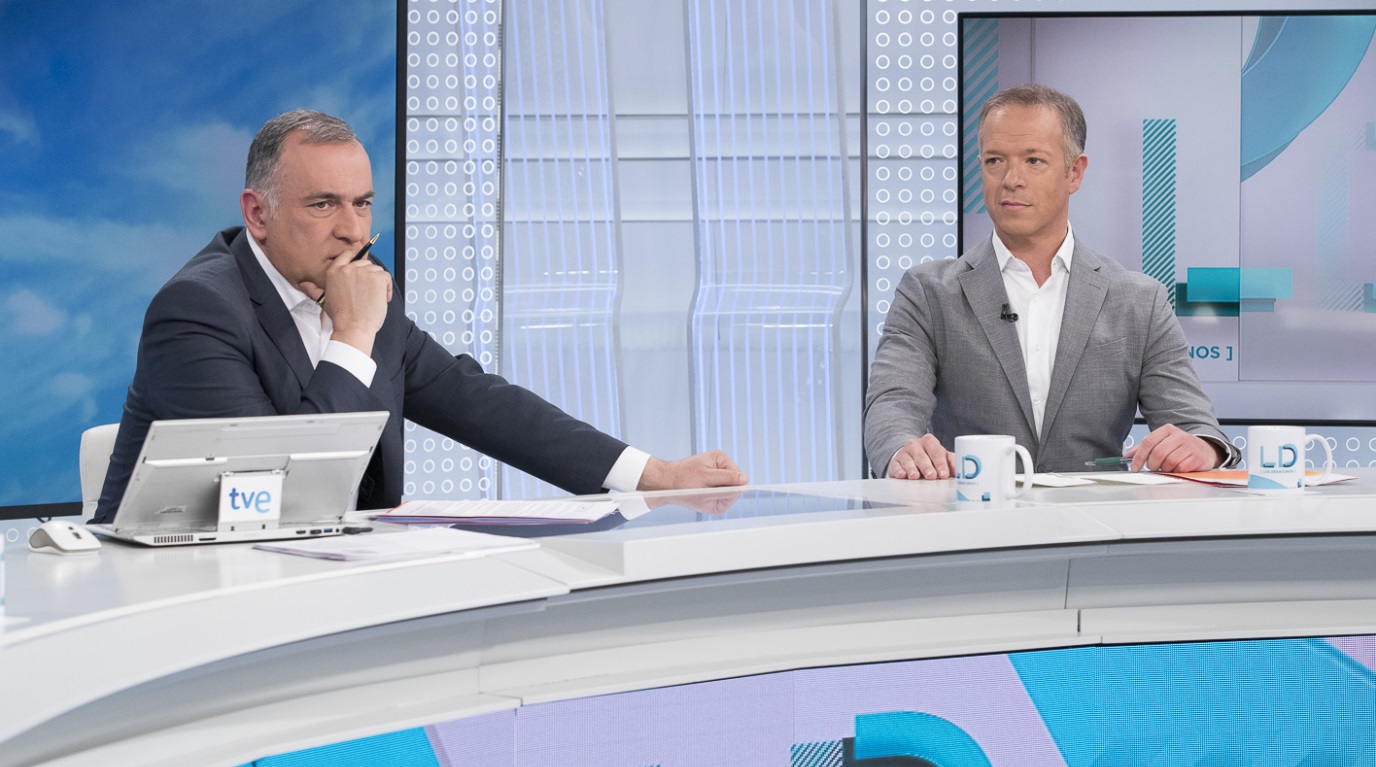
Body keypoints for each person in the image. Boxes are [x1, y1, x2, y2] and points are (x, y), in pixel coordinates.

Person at [93, 110, 746, 523]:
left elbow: (475, 400)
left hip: (326, 590)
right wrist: (352, 334)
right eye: (323, 204)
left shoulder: (364, 285)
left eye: (362, 204)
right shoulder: (197, 310)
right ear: (257, 213)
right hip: (182, 610)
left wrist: (654, 475)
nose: (353, 231)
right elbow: (274, 493)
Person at [863, 84, 1238, 480]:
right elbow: (892, 405)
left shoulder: (1140, 302)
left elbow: (1196, 426)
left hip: (1095, 517)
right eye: (995, 161)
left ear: (1074, 172)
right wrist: (902, 449)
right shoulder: (928, 292)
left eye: (1034, 161)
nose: (1011, 179)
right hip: (971, 512)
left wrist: (1203, 448)